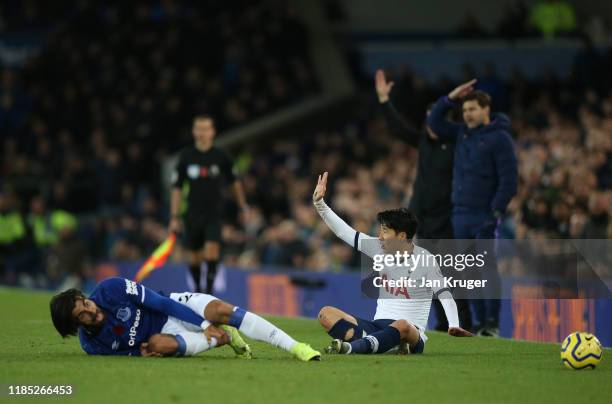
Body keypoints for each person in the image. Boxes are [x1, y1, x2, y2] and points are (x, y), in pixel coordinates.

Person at [312, 172, 472, 355]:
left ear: (402, 236)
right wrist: (319, 204)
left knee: (402, 324)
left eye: (385, 232)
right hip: (377, 326)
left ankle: (354, 347)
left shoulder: (425, 259)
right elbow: (344, 232)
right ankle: (383, 344)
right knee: (326, 314)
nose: (380, 237)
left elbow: (444, 294)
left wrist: (453, 325)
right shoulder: (378, 248)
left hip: (412, 334)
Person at [375, 69, 472, 331]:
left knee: (451, 275)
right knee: (430, 275)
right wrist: (385, 100)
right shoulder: (424, 142)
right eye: (429, 117)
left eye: (434, 118)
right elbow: (398, 128)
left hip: (447, 219)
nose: (429, 123)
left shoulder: (456, 146)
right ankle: (442, 324)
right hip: (423, 219)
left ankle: (461, 323)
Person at [427, 80, 518, 336]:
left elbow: (509, 180)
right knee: (468, 272)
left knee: (486, 268)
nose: (467, 114)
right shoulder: (462, 133)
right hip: (460, 215)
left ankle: (492, 324)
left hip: (484, 215)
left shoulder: (500, 139)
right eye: (465, 110)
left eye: (473, 109)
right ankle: (478, 323)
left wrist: (496, 212)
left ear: (486, 109)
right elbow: (435, 123)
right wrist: (450, 98)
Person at [49, 277, 320, 360]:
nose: (90, 310)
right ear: (76, 325)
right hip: (167, 335)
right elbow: (135, 353)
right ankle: (223, 337)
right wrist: (143, 354)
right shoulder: (92, 346)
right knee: (157, 345)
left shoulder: (111, 289)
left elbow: (161, 301)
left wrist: (203, 324)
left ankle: (296, 348)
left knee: (222, 312)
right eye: (82, 314)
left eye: (85, 303)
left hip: (176, 307)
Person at [169, 115, 249, 293]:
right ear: (194, 131)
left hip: (214, 213)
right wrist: (174, 217)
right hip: (192, 214)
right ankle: (198, 289)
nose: (202, 133)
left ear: (212, 132)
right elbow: (176, 188)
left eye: (205, 129)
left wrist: (243, 206)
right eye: (198, 129)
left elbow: (234, 182)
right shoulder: (186, 156)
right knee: (194, 258)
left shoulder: (221, 157)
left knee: (212, 251)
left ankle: (209, 294)